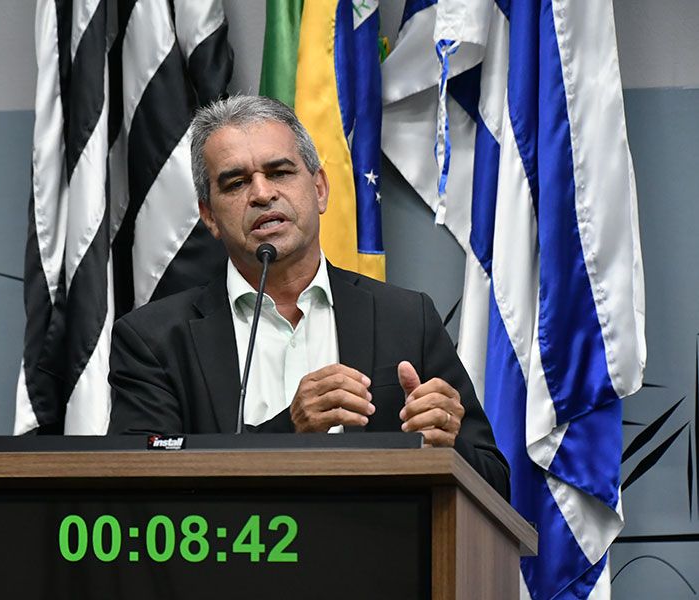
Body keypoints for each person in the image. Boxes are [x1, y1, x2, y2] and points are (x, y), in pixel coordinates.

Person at [108, 95, 509, 497]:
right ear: (209, 216)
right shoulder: (154, 340)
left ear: (319, 189)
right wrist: (289, 430)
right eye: (236, 183)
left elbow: (495, 483)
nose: (262, 193)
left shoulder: (407, 318)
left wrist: (447, 444)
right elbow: (139, 491)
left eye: (279, 172)